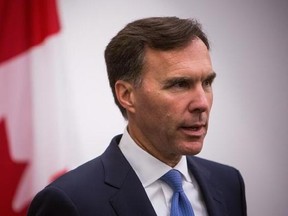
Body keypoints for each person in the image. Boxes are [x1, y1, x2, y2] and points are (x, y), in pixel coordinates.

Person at [28, 17, 247, 216]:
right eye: (180, 84)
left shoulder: (228, 182)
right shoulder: (70, 201)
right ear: (127, 95)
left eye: (207, 83)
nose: (201, 103)